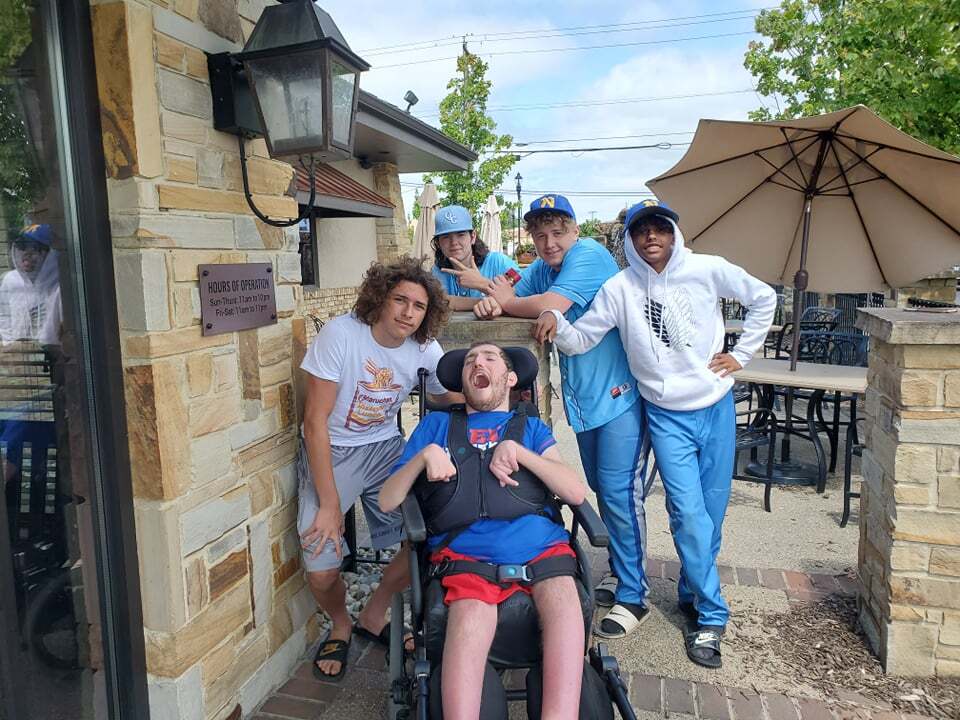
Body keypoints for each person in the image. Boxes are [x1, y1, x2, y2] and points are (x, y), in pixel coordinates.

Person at [534, 199, 776, 669]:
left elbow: (762, 297)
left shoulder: (708, 269)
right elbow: (583, 337)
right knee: (686, 512)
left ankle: (693, 590)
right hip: (665, 414)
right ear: (629, 238)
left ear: (673, 232)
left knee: (711, 510)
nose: (651, 237)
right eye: (641, 229)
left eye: (659, 227)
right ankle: (712, 615)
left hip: (716, 406)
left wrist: (743, 354)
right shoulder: (620, 288)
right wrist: (557, 323)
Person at [474, 194, 651, 639]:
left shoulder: (588, 254)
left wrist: (526, 304)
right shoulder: (542, 264)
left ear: (574, 230)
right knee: (604, 489)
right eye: (540, 234)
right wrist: (495, 300)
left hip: (618, 396)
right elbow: (508, 288)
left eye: (557, 232)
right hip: (587, 403)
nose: (548, 241)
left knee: (618, 493)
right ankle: (622, 572)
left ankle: (634, 594)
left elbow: (545, 302)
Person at [380, 342, 586, 720]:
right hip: (467, 557)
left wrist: (520, 453)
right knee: (472, 613)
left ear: (509, 379)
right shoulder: (436, 426)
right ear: (463, 383)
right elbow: (388, 500)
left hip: (543, 551)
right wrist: (424, 458)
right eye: (470, 361)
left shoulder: (531, 429)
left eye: (490, 358)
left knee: (562, 596)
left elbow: (574, 492)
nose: (478, 362)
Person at [298, 256, 460, 680]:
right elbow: (313, 422)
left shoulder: (424, 347)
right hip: (333, 450)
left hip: (386, 449)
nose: (408, 313)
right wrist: (330, 504)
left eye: (419, 306)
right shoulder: (341, 334)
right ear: (380, 299)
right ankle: (340, 622)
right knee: (321, 564)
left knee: (427, 532)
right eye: (399, 300)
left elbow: (444, 396)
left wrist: (496, 396)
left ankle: (374, 611)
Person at [430, 204, 520, 312]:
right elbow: (438, 302)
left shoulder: (499, 262)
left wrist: (482, 283)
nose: (454, 242)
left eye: (461, 235)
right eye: (446, 237)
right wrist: (484, 302)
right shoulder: (437, 271)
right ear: (438, 243)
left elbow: (523, 292)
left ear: (473, 237)